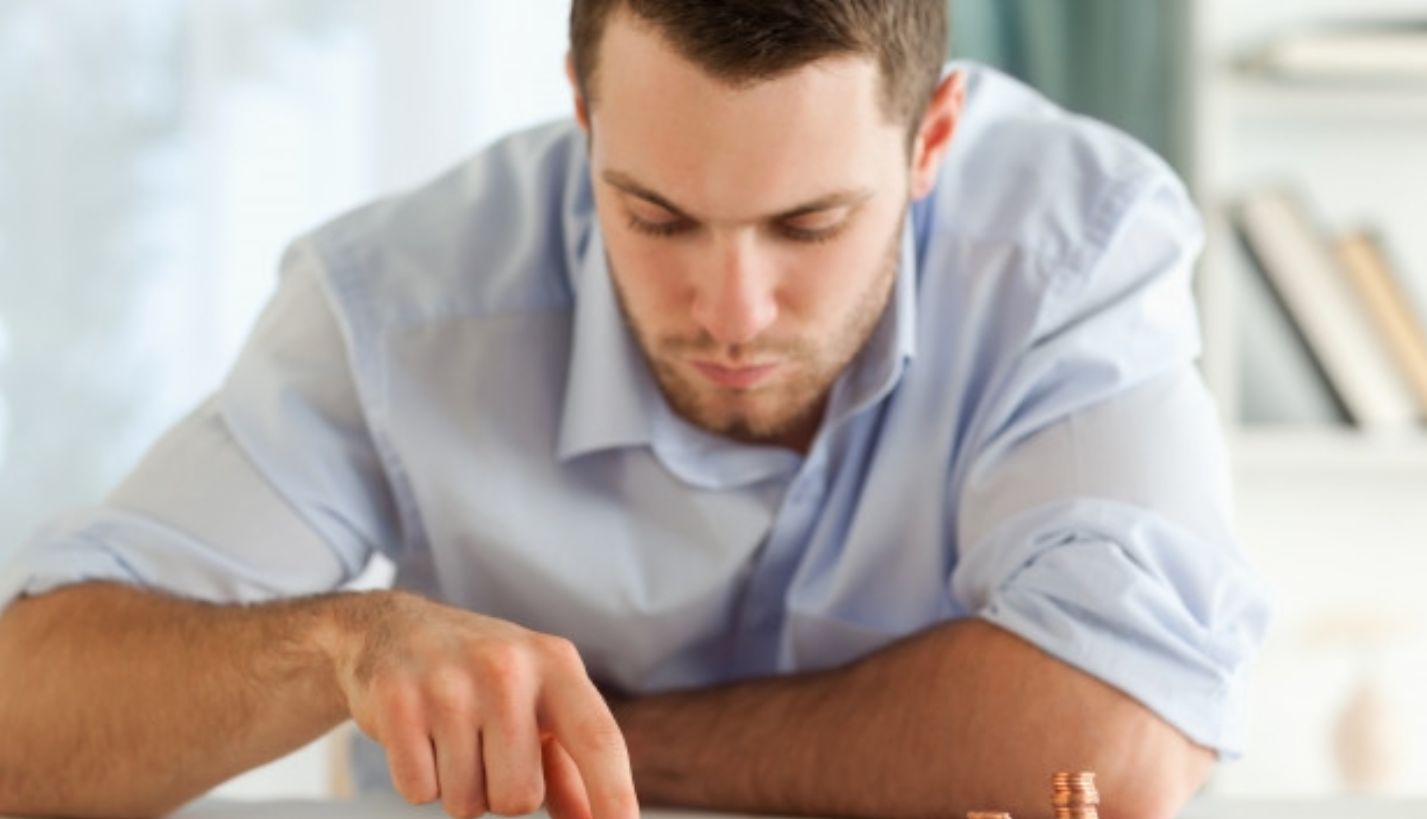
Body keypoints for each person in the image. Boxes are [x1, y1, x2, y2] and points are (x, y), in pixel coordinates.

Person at [0, 2, 1270, 819]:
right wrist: (341, 644)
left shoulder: (1071, 244)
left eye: (808, 225)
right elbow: (24, 731)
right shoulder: (398, 302)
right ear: (583, 111)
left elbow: (1120, 737)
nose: (732, 312)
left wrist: (570, 752)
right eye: (656, 217)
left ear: (930, 142)